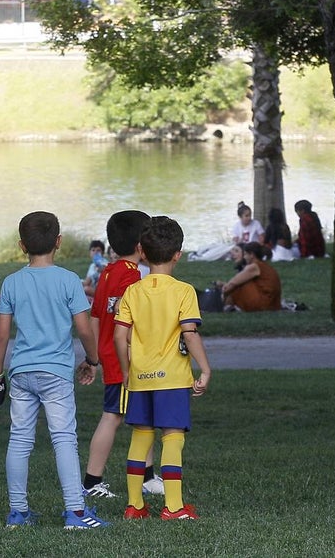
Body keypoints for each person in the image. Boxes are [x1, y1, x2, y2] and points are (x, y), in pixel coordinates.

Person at [0, 211, 109, 530]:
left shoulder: (12, 282)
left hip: (21, 373)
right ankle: (75, 512)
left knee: (19, 440)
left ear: (21, 246)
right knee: (64, 439)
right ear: (58, 242)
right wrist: (92, 360)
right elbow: (84, 330)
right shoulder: (69, 280)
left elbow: (2, 334)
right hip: (56, 373)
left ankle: (18, 513)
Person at [114, 215, 212, 520]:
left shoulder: (133, 292)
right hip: (172, 378)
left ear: (142, 251)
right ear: (178, 254)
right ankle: (172, 507)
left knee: (140, 437)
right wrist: (205, 369)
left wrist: (126, 370)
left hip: (140, 376)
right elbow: (189, 333)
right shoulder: (184, 292)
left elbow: (120, 335)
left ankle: (135, 505)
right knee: (172, 437)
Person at [80, 210, 165, 500]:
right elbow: (131, 326)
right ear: (142, 244)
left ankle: (148, 476)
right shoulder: (133, 279)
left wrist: (95, 356)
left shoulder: (107, 272)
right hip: (126, 359)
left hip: (111, 354)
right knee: (113, 416)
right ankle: (92, 481)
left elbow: (95, 316)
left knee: (143, 417)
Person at [220, 242, 282, 312]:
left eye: (246, 254)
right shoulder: (263, 265)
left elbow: (234, 282)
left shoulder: (254, 266)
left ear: (252, 255)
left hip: (264, 303)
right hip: (272, 303)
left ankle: (226, 306)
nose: (244, 257)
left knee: (236, 286)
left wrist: (224, 292)